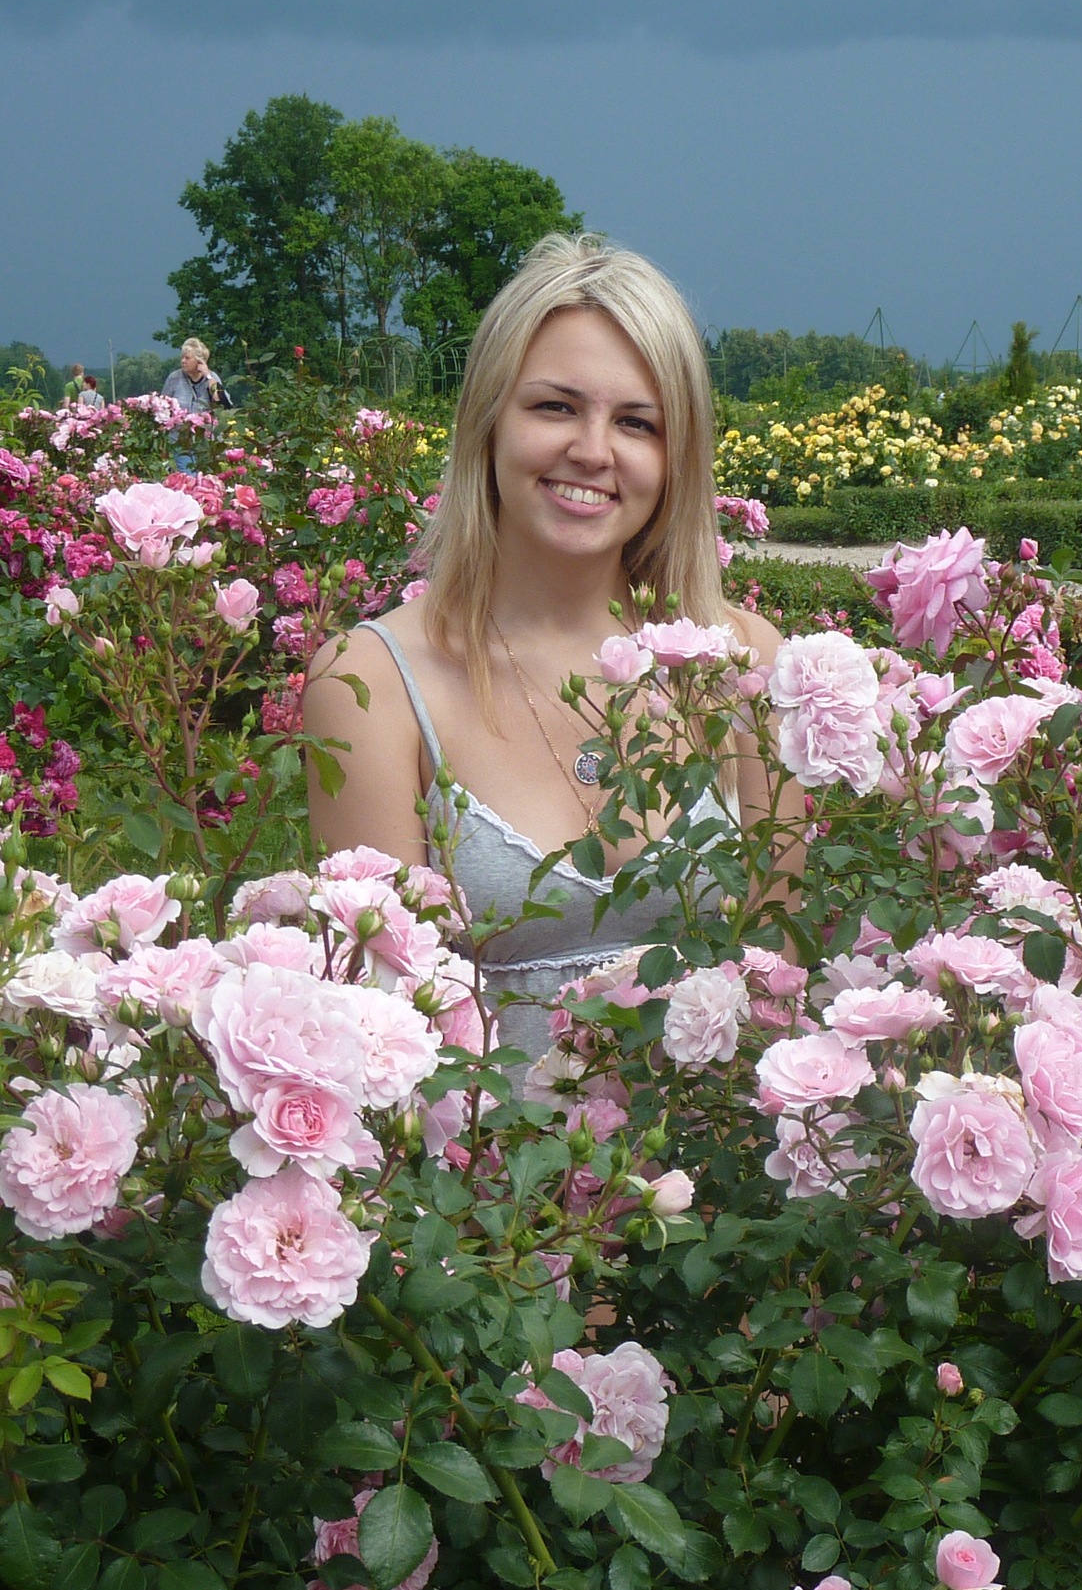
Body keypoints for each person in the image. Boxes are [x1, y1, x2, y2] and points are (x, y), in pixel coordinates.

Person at [306, 234, 782, 1062]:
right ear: (487, 421)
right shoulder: (373, 683)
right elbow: (376, 1033)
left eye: (637, 422)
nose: (593, 451)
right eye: (556, 407)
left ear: (677, 457)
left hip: (718, 1143)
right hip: (477, 1143)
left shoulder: (742, 665)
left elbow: (790, 982)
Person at [164, 337, 223, 416]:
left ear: (199, 361)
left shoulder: (212, 378)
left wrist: (208, 376)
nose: (183, 361)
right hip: (179, 423)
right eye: (182, 357)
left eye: (187, 358)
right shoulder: (174, 378)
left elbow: (220, 402)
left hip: (204, 423)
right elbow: (164, 405)